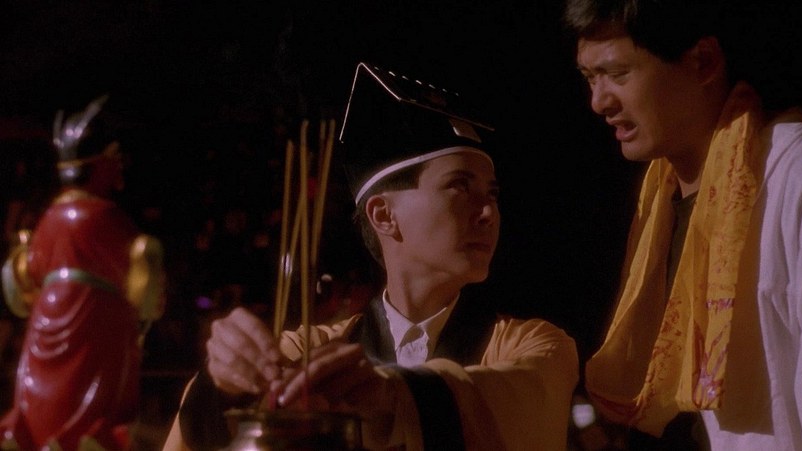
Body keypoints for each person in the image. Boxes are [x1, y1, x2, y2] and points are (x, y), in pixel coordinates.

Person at [163, 62, 579, 451]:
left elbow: (524, 402)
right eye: (460, 186)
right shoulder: (310, 350)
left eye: (493, 194)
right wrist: (226, 381)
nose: (488, 213)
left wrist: (393, 395)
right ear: (383, 215)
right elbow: (208, 432)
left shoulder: (535, 345)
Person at [563, 1, 802, 450]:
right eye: (590, 78)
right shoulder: (656, 198)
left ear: (704, 62)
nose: (599, 102)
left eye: (618, 74)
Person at [0, 95, 166, 450]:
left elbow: (27, 273)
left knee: (44, 395)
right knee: (94, 400)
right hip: (97, 317)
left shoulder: (49, 218)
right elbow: (140, 276)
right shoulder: (108, 218)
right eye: (115, 159)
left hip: (49, 316)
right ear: (103, 164)